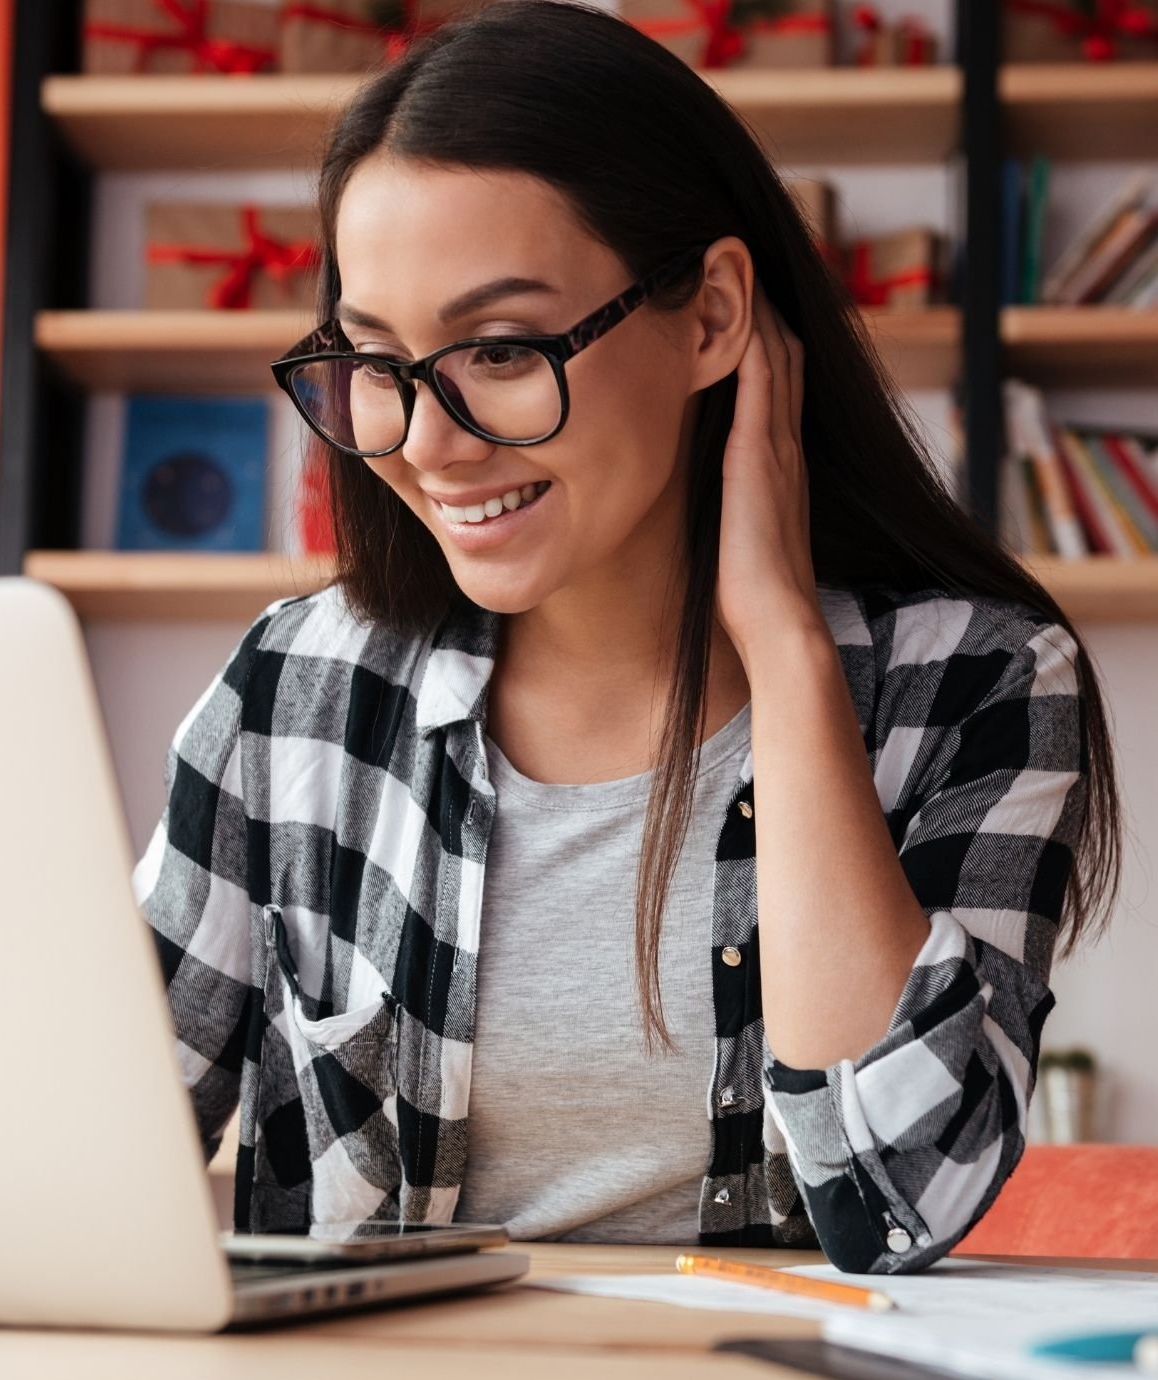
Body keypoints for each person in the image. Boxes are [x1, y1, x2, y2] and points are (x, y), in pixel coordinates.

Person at [130, 0, 1121, 1273]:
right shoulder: (293, 692)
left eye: (496, 348)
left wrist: (785, 650)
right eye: (377, 360)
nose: (428, 443)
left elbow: (899, 1199)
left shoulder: (974, 681)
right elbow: (90, 1156)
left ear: (708, 317)